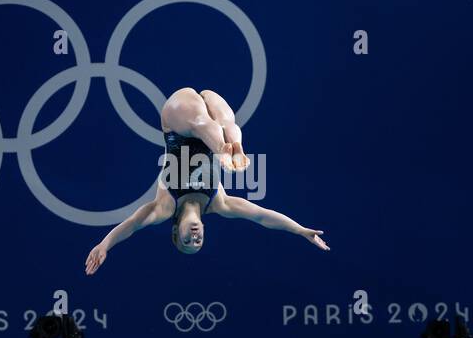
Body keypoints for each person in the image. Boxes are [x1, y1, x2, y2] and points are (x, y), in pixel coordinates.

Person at [84, 88, 329, 274]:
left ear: (175, 231)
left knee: (202, 123)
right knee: (224, 124)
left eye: (186, 240)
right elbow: (261, 215)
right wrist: (299, 230)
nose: (194, 236)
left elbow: (133, 224)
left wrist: (105, 245)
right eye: (198, 241)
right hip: (213, 122)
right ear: (204, 231)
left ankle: (225, 148)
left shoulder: (164, 208)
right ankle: (234, 146)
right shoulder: (219, 204)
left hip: (178, 121)